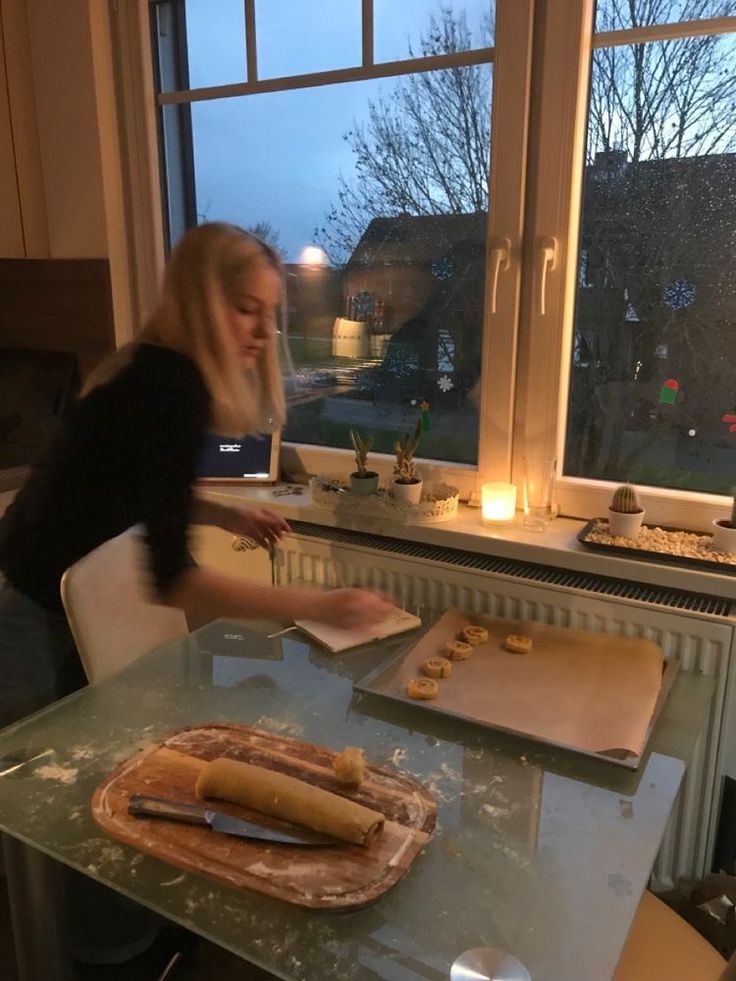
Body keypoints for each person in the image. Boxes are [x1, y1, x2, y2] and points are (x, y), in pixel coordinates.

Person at [0, 221, 395, 968]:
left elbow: (142, 488)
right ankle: (97, 956)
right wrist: (320, 605)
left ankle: (126, 936)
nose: (262, 330)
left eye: (270, 313)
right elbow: (175, 577)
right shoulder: (167, 387)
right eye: (246, 308)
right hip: (28, 610)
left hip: (55, 595)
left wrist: (225, 510)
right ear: (199, 300)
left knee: (90, 781)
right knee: (44, 810)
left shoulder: (155, 373)